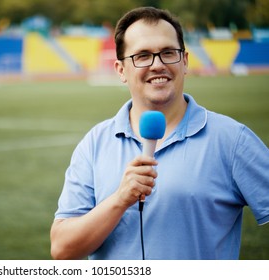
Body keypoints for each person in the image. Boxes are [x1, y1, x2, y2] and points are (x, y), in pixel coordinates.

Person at [50, 6, 269, 260]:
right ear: (121, 70)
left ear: (184, 61)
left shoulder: (232, 140)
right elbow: (62, 251)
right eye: (142, 56)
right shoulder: (94, 144)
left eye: (168, 53)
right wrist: (120, 200)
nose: (158, 65)